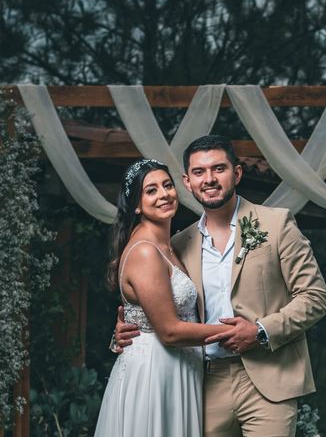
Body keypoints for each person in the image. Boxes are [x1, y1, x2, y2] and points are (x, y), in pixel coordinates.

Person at [115, 135, 326, 436]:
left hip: (269, 379)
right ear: (188, 182)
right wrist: (128, 329)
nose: (210, 179)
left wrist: (260, 330)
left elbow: (315, 297)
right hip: (204, 383)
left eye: (219, 169)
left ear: (237, 174)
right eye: (200, 172)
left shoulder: (276, 224)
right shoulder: (178, 244)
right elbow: (161, 308)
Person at [95, 158, 231, 436]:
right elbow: (169, 331)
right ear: (136, 204)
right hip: (155, 372)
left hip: (179, 369)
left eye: (167, 185)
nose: (164, 194)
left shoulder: (171, 246)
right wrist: (231, 331)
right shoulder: (145, 251)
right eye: (151, 190)